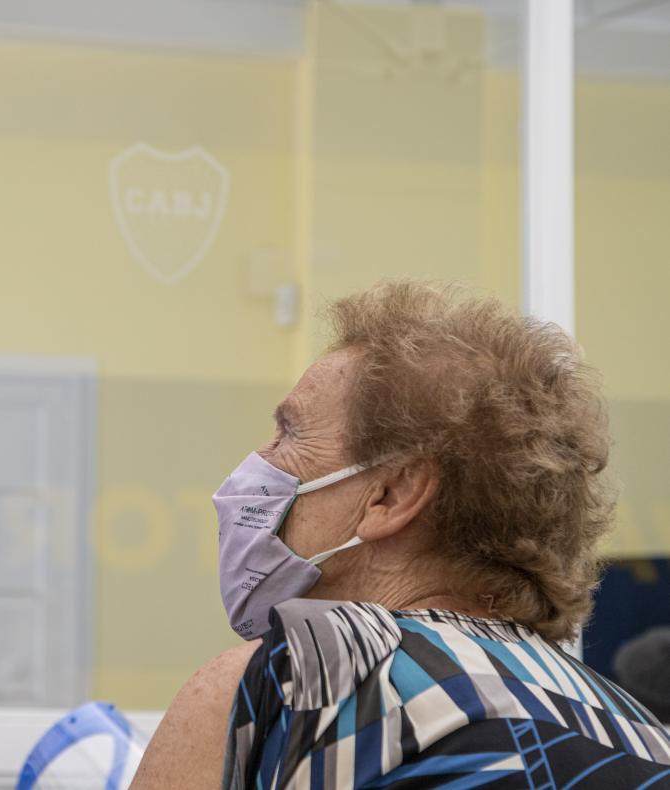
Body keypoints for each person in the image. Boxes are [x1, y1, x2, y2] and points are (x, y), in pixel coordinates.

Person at [132, 281, 670, 789]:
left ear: (392, 495)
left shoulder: (289, 686)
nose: (259, 465)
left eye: (288, 433)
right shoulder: (639, 736)